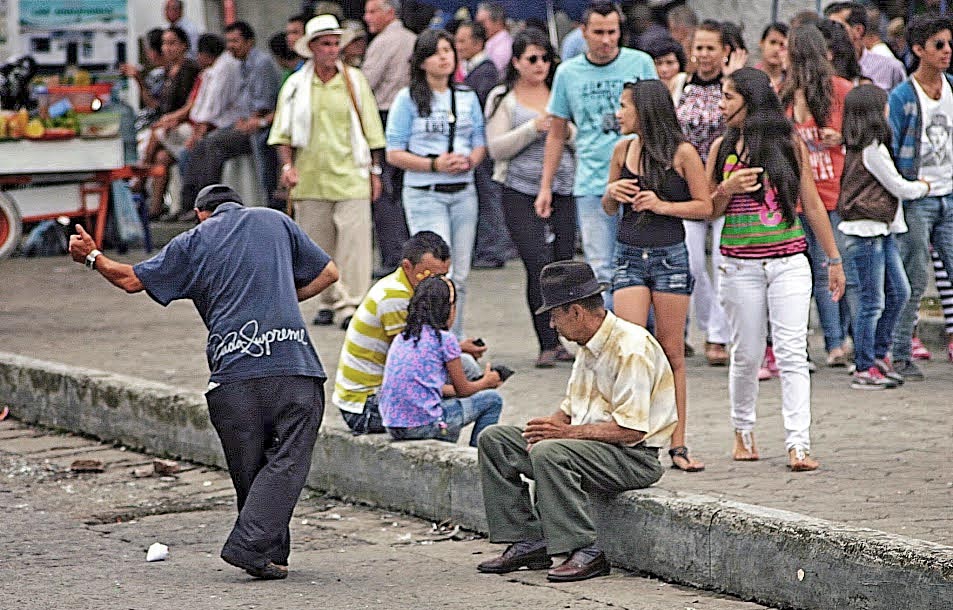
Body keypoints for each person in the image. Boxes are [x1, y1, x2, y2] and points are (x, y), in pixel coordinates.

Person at [66, 184, 339, 579]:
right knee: (288, 460)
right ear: (239, 206)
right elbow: (329, 273)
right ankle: (261, 552)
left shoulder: (192, 241)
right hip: (293, 365)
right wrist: (275, 299)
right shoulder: (274, 220)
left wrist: (91, 256)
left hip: (233, 379)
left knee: (250, 468)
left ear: (200, 214)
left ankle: (259, 551)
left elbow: (128, 280)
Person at [476, 260, 677, 583]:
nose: (553, 326)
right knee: (496, 439)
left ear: (576, 312)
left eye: (555, 316)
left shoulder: (631, 348)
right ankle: (530, 539)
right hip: (591, 447)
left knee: (550, 452)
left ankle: (585, 550)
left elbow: (632, 430)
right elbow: (570, 408)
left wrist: (561, 434)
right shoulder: (588, 344)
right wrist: (542, 430)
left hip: (634, 458)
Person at [707, 68, 846, 472]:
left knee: (792, 353)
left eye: (729, 97)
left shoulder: (789, 143)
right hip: (738, 265)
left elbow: (813, 203)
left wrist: (833, 259)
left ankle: (798, 443)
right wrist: (726, 189)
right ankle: (743, 430)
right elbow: (707, 210)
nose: (722, 105)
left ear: (750, 101)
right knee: (747, 353)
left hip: (789, 261)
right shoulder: (722, 147)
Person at [603, 79, 712, 472]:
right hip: (628, 255)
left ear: (645, 110)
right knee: (630, 349)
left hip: (669, 256)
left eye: (624, 106)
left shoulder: (682, 154)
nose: (619, 113)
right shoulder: (622, 150)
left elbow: (705, 206)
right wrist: (611, 193)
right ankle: (630, 438)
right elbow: (607, 208)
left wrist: (662, 205)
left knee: (671, 353)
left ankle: (678, 444)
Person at [536, 1, 657, 310]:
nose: (606, 40)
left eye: (612, 32)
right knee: (601, 266)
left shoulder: (640, 62)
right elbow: (557, 132)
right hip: (592, 181)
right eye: (599, 32)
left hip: (639, 177)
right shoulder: (568, 72)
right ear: (583, 33)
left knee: (644, 262)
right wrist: (546, 186)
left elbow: (658, 119)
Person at [270, 14, 385, 331]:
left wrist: (375, 171)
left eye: (336, 44)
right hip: (311, 176)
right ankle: (328, 300)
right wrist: (287, 166)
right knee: (317, 245)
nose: (332, 50)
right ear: (312, 48)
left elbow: (371, 130)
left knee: (355, 246)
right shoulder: (296, 85)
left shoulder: (354, 81)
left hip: (352, 174)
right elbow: (283, 134)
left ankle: (352, 305)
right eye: (326, 44)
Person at [485, 28, 576, 368]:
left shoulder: (561, 92)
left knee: (563, 262)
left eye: (545, 59)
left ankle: (565, 334)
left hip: (565, 187)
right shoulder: (503, 98)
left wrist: (563, 131)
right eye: (532, 59)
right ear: (517, 62)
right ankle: (546, 339)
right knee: (537, 263)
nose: (540, 65)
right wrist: (533, 128)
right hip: (519, 189)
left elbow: (580, 138)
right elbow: (496, 147)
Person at [386, 29, 486, 337]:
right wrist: (434, 164)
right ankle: (430, 338)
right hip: (424, 193)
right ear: (421, 61)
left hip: (463, 192)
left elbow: (481, 141)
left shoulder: (467, 96)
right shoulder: (407, 99)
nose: (444, 57)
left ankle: (454, 341)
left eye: (448, 50)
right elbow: (394, 152)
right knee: (437, 271)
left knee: (461, 275)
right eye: (435, 52)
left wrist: (470, 160)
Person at [837, 84, 927, 389]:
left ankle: (877, 354)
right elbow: (898, 186)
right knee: (871, 301)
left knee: (899, 292)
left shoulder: (862, 147)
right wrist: (924, 187)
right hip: (866, 231)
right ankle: (865, 364)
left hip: (882, 228)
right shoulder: (871, 148)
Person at [781, 24, 854, 368]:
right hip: (796, 195)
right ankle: (829, 343)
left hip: (832, 190)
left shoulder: (841, 89)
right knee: (809, 273)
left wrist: (839, 137)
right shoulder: (783, 94)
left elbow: (865, 131)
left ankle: (837, 341)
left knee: (833, 267)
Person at [888, 16, 953, 382]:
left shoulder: (951, 89)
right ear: (918, 50)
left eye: (948, 44)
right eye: (938, 45)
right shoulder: (903, 97)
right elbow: (892, 149)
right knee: (912, 278)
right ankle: (900, 353)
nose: (946, 51)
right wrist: (906, 189)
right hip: (919, 199)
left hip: (949, 194)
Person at [676, 20, 740, 366]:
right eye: (698, 47)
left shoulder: (733, 88)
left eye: (710, 48)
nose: (703, 54)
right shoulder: (679, 86)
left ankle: (721, 336)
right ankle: (710, 327)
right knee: (691, 263)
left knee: (724, 259)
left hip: (726, 185)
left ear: (724, 51)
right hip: (689, 188)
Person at [379, 275, 504, 445]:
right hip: (424, 425)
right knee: (493, 399)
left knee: (460, 372)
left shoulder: (403, 337)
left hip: (394, 425)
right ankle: (478, 459)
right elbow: (463, 390)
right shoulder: (445, 339)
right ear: (447, 309)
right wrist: (487, 382)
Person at [181, 21, 281, 213]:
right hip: (243, 122)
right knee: (201, 145)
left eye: (235, 41)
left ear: (249, 42)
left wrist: (247, 121)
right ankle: (191, 203)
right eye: (228, 41)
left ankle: (208, 204)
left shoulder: (261, 64)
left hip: (259, 126)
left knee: (214, 145)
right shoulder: (242, 64)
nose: (230, 46)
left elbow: (263, 103)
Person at [363, 0, 417, 273]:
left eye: (372, 11)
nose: (366, 17)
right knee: (406, 186)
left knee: (384, 190)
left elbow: (364, 85)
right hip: (413, 116)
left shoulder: (384, 42)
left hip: (384, 116)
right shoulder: (412, 39)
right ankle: (410, 254)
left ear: (389, 12)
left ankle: (393, 256)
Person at [455, 20, 511, 271]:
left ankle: (493, 249)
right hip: (477, 145)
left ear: (478, 43)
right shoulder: (474, 70)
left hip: (484, 145)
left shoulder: (485, 72)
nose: (458, 46)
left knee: (489, 197)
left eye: (462, 41)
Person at [137, 27, 201, 219]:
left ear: (184, 45)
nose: (167, 48)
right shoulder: (166, 72)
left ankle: (141, 178)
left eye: (172, 43)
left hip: (188, 125)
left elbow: (192, 104)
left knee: (156, 135)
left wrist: (172, 119)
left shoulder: (190, 69)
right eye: (165, 43)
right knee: (162, 158)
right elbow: (158, 106)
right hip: (171, 124)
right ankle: (155, 208)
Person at [825, 2, 906, 92]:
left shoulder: (890, 68)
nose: (830, 32)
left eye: (837, 26)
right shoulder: (824, 68)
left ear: (858, 30)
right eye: (828, 27)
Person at [643, 37, 688, 104]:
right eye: (658, 63)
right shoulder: (643, 93)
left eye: (670, 63)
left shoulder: (689, 89)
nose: (664, 69)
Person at [475, 2, 512, 77]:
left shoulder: (504, 47)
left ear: (498, 22)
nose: (478, 27)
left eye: (482, 23)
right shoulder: (489, 42)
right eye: (477, 23)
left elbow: (488, 75)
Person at [754, 22, 788, 92]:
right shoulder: (750, 77)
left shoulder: (792, 82)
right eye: (772, 42)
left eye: (782, 45)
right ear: (762, 43)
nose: (776, 49)